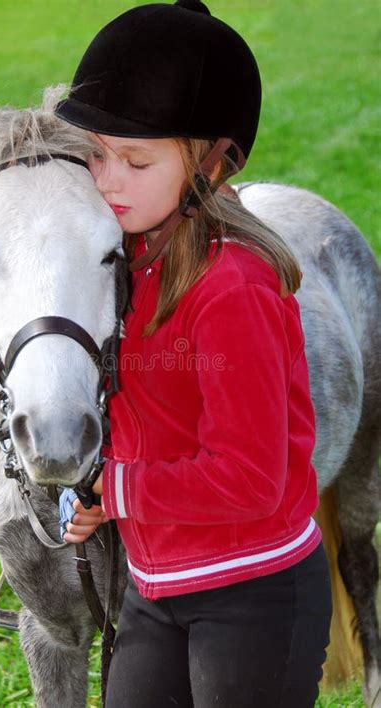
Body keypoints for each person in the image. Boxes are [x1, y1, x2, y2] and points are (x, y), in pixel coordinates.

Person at [56, 1, 332, 706]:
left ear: (212, 159)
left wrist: (117, 490)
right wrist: (98, 490)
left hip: (253, 590)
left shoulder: (233, 287)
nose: (106, 179)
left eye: (136, 160)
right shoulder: (124, 264)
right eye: (95, 152)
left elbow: (248, 479)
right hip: (158, 584)